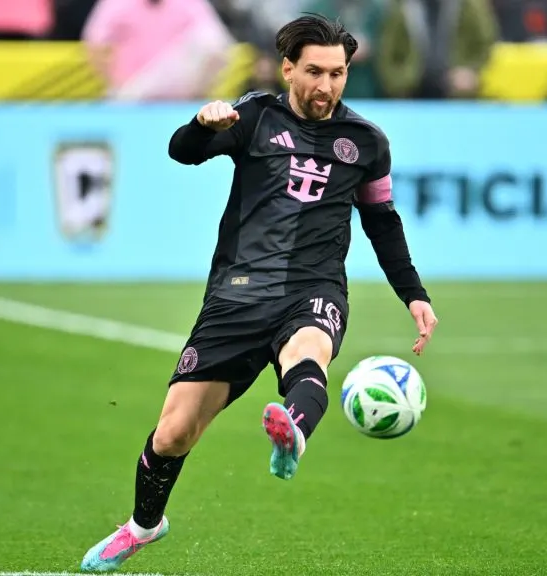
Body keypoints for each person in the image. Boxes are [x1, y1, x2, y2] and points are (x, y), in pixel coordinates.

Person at [79, 13, 438, 573]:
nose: (327, 86)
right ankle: (144, 527)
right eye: (315, 72)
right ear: (287, 67)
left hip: (313, 288)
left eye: (338, 74)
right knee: (173, 434)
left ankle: (292, 431)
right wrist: (204, 122)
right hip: (237, 295)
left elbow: (382, 221)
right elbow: (183, 151)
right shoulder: (253, 117)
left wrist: (412, 293)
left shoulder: (366, 142)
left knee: (308, 350)